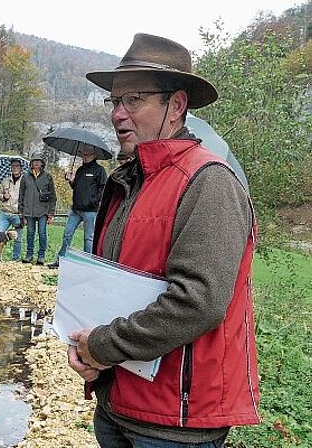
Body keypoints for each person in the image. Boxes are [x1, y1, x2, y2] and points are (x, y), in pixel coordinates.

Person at [67, 33, 260, 447]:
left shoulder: (208, 182)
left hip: (176, 424)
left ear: (176, 105)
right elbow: (111, 287)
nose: (118, 114)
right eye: (114, 102)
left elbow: (196, 301)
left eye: (134, 100)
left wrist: (103, 345)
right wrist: (91, 356)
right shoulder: (128, 182)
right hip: (119, 404)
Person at [48, 145, 107, 268]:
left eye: (88, 154)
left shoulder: (99, 170)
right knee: (67, 234)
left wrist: (94, 201)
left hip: (90, 211)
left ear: (94, 155)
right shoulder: (80, 170)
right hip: (76, 209)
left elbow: (103, 188)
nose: (85, 157)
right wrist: (71, 180)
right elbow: (76, 187)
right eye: (83, 154)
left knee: (88, 238)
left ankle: (87, 264)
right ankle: (60, 260)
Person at [18, 152, 56, 265]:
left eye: (39, 161)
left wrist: (51, 213)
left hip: (43, 211)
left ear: (42, 163)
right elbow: (21, 195)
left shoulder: (48, 176)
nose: (36, 163)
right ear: (31, 163)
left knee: (42, 233)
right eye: (34, 161)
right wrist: (21, 211)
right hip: (28, 211)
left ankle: (41, 256)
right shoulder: (25, 176)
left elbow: (53, 197)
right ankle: (29, 255)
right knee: (30, 233)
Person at [0, 158, 24, 262]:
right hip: (4, 213)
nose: (15, 168)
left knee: (17, 239)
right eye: (13, 166)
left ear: (21, 168)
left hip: (18, 214)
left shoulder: (25, 181)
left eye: (17, 166)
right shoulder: (5, 180)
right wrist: (4, 196)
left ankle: (15, 260)